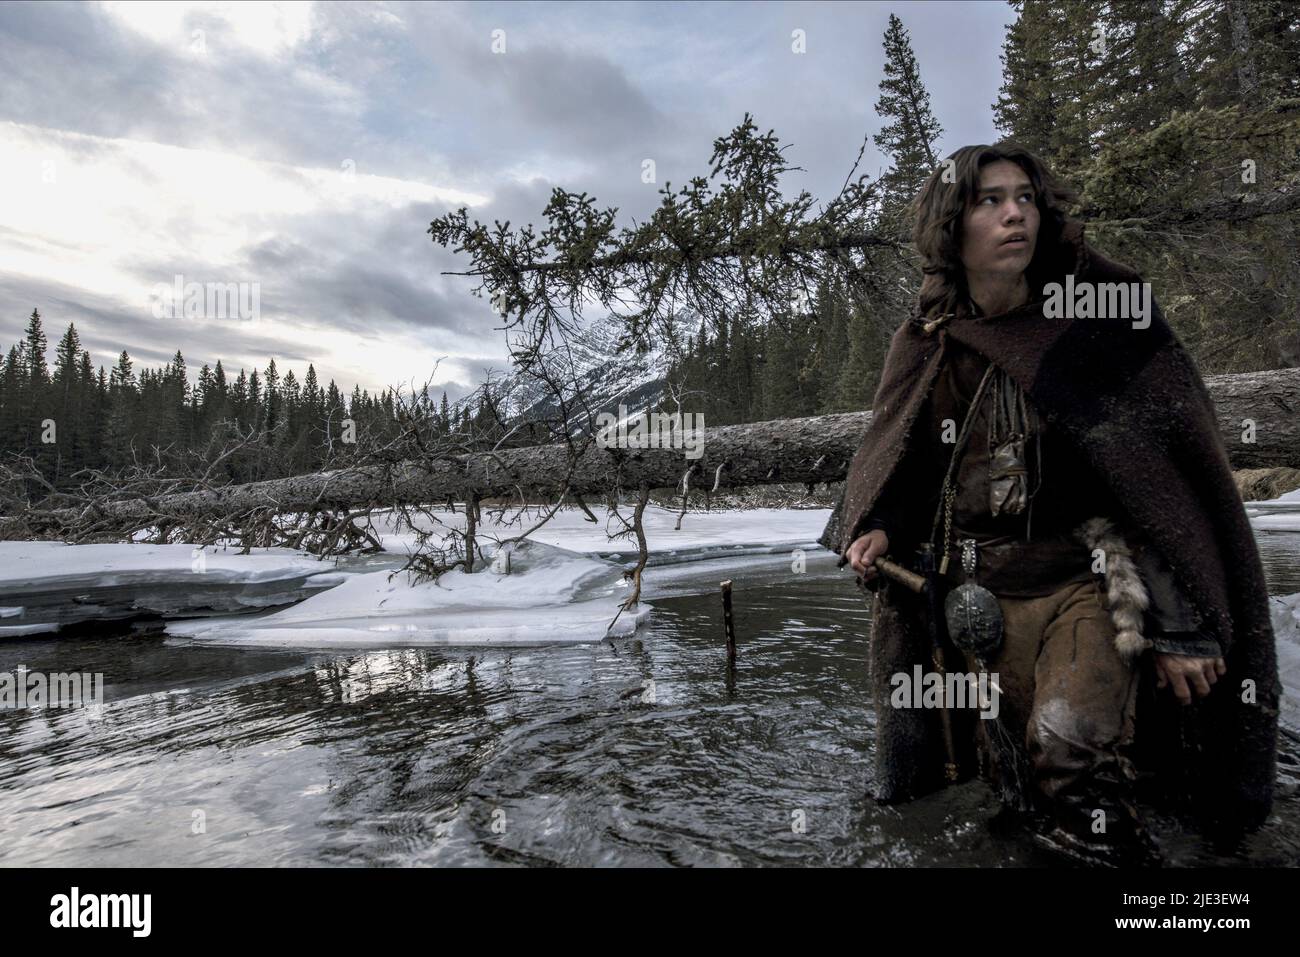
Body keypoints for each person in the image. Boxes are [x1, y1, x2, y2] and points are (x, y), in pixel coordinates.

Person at [820, 142, 1279, 866]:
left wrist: (1180, 626)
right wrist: (878, 525)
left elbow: (1162, 486)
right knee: (1013, 779)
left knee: (1068, 751)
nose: (1016, 215)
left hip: (1086, 581)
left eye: (1026, 198)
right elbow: (908, 470)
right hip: (979, 595)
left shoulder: (1096, 317)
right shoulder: (930, 339)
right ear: (951, 224)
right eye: (991, 201)